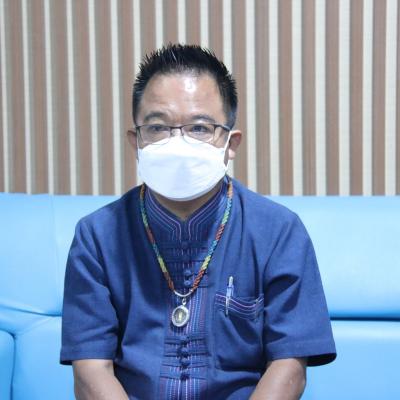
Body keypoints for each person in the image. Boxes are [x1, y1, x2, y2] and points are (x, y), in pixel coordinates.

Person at [60, 43, 336, 400]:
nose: (178, 142)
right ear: (136, 141)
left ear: (230, 143)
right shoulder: (96, 237)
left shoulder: (280, 232)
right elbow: (90, 370)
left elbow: (290, 367)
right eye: (157, 127)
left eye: (200, 128)